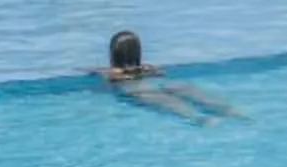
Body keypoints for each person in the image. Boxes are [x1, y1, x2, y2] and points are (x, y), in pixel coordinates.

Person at [97, 30, 240, 122]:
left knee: (176, 108)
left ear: (113, 54)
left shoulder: (109, 73)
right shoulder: (148, 67)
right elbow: (161, 73)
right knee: (196, 95)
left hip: (139, 90)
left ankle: (201, 119)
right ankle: (233, 112)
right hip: (163, 83)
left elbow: (105, 84)